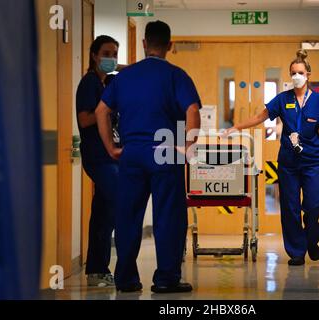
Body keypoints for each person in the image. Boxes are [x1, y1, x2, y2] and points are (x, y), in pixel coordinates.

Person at [95, 20, 201, 293]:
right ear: (169, 45)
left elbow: (100, 111)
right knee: (168, 216)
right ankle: (166, 279)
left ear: (144, 44)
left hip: (132, 153)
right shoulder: (177, 75)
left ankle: (126, 279)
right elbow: (191, 111)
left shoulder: (126, 76)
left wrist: (111, 148)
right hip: (166, 151)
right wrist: (188, 146)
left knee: (128, 216)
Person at [225, 50, 319, 266]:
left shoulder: (318, 101)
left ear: (308, 74)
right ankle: (296, 252)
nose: (296, 76)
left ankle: (311, 239)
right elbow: (259, 117)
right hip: (289, 164)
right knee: (290, 206)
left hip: (312, 161)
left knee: (313, 205)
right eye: (293, 73)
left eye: (300, 72)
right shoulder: (283, 99)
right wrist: (236, 126)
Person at [76, 35, 120, 286]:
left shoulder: (108, 82)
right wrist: (107, 110)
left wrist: (116, 65)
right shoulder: (90, 83)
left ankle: (96, 270)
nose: (110, 58)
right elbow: (84, 120)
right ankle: (100, 266)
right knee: (116, 203)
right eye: (106, 53)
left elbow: (126, 71)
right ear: (94, 55)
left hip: (110, 156)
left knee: (104, 211)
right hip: (97, 157)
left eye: (114, 53)